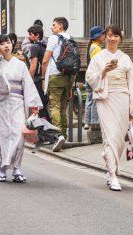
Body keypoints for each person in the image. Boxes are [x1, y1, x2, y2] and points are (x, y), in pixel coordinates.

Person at [86, 25, 133, 191]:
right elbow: (90, 77)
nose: (112, 39)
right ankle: (113, 175)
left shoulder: (125, 58)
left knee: (119, 138)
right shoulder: (98, 57)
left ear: (120, 38)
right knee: (110, 136)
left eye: (116, 36)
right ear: (104, 37)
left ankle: (109, 162)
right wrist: (103, 71)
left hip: (123, 97)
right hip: (105, 97)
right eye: (110, 35)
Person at [0, 34, 42, 183]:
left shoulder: (20, 65)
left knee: (18, 136)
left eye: (8, 42)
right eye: (2, 44)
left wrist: (33, 106)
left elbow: (28, 85)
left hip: (17, 103)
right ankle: (2, 169)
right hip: (1, 104)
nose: (6, 46)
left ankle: (16, 168)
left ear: (12, 44)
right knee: (0, 136)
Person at [42, 17, 74, 152]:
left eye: (54, 25)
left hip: (55, 76)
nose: (51, 27)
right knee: (63, 107)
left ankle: (59, 135)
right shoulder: (72, 40)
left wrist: (43, 77)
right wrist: (72, 84)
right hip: (68, 77)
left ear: (60, 26)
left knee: (54, 106)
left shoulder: (53, 39)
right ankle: (64, 135)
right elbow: (74, 63)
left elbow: (45, 60)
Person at [27, 24, 50, 122]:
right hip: (46, 79)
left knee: (39, 108)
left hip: (37, 80)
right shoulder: (45, 46)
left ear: (37, 36)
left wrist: (27, 80)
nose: (29, 36)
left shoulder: (34, 47)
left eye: (31, 34)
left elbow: (33, 66)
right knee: (43, 107)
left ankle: (47, 133)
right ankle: (49, 132)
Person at [84, 26, 105, 130]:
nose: (104, 36)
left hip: (88, 75)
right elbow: (98, 63)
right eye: (102, 34)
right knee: (94, 99)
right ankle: (94, 122)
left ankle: (87, 122)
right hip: (94, 76)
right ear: (98, 36)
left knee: (89, 99)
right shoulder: (96, 48)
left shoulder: (92, 46)